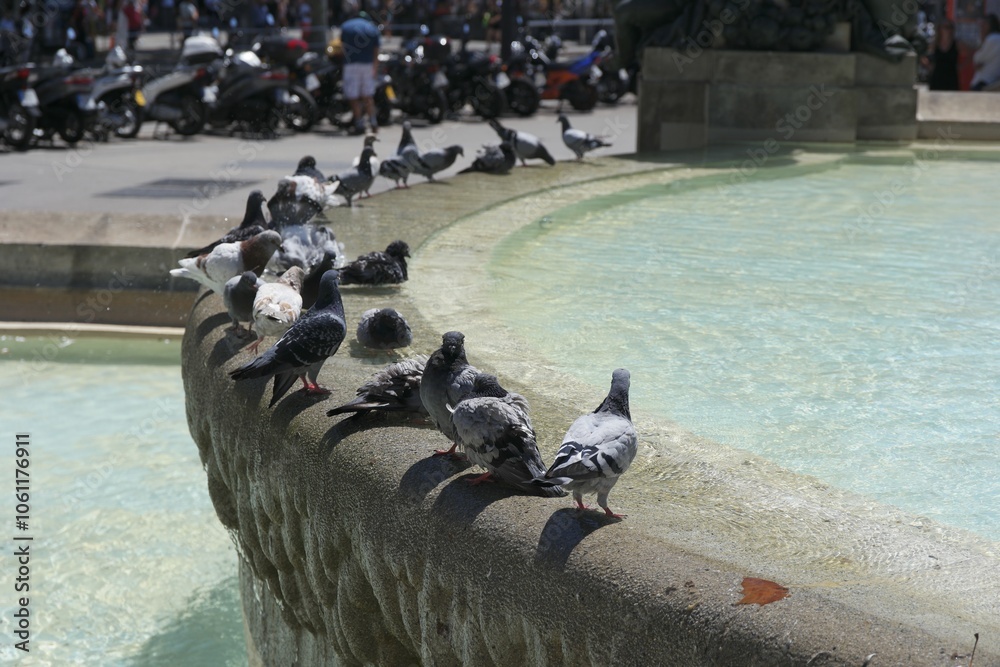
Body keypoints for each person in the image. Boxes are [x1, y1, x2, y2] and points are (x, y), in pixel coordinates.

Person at [339, 8, 381, 134]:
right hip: (367, 65)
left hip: (351, 65)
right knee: (368, 96)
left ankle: (359, 124)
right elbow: (376, 51)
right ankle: (373, 122)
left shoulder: (346, 26)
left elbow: (342, 47)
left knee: (354, 96)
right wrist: (375, 67)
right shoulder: (372, 28)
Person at [927, 19, 959, 90]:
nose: (948, 30)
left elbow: (971, 52)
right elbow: (925, 56)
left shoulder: (956, 44)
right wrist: (929, 66)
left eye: (950, 27)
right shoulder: (935, 44)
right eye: (946, 27)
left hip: (951, 78)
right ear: (940, 29)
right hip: (937, 77)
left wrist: (962, 65)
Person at [972, 14, 1000, 90]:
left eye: (983, 25)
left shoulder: (991, 39)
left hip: (985, 83)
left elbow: (977, 59)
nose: (981, 28)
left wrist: (982, 41)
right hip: (994, 82)